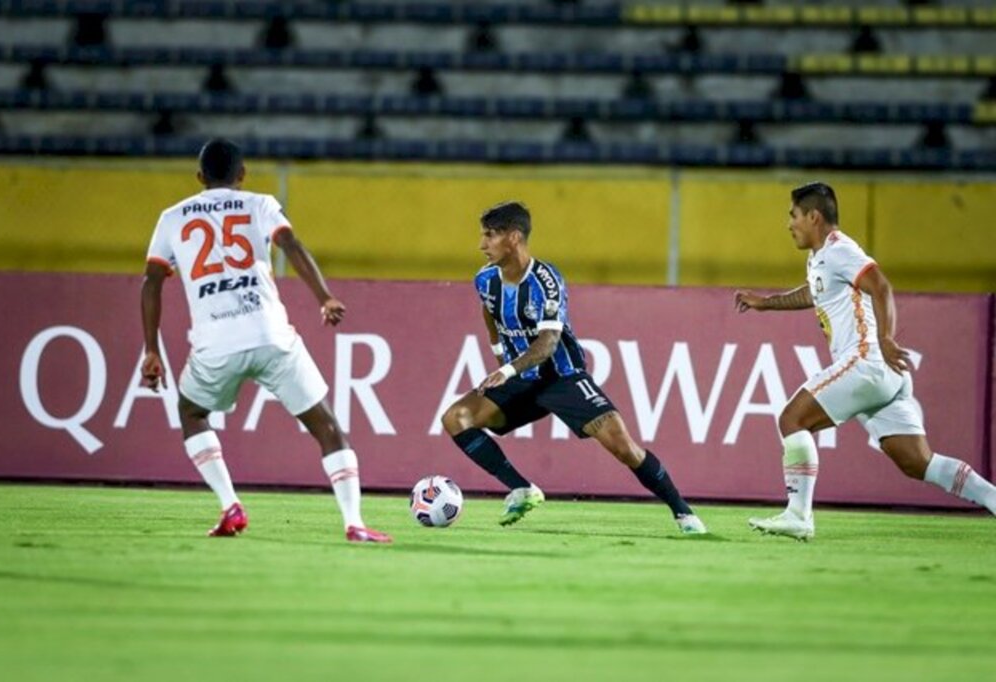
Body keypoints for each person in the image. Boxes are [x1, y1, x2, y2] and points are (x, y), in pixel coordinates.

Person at [140, 138, 391, 543]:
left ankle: (230, 505)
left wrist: (151, 348)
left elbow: (151, 282)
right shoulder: (259, 203)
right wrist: (324, 297)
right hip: (272, 335)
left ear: (200, 177)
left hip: (215, 342)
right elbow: (290, 244)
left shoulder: (172, 217)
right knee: (326, 426)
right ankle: (354, 523)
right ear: (242, 175)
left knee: (191, 410)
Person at [735, 181, 996, 540]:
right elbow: (814, 292)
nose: (789, 223)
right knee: (918, 462)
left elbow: (881, 286)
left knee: (792, 419)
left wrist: (886, 338)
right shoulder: (821, 258)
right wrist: (766, 302)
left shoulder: (841, 249)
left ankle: (799, 515)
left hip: (865, 362)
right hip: (883, 377)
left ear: (813, 216)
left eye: (793, 215)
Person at [441, 201, 707, 534]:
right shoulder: (485, 280)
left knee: (624, 448)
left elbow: (548, 343)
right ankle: (522, 488)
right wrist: (499, 353)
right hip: (522, 380)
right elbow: (489, 311)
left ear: (513, 238)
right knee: (456, 418)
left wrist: (507, 370)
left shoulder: (546, 280)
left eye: (489, 236)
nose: (482, 245)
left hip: (561, 377)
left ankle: (684, 514)